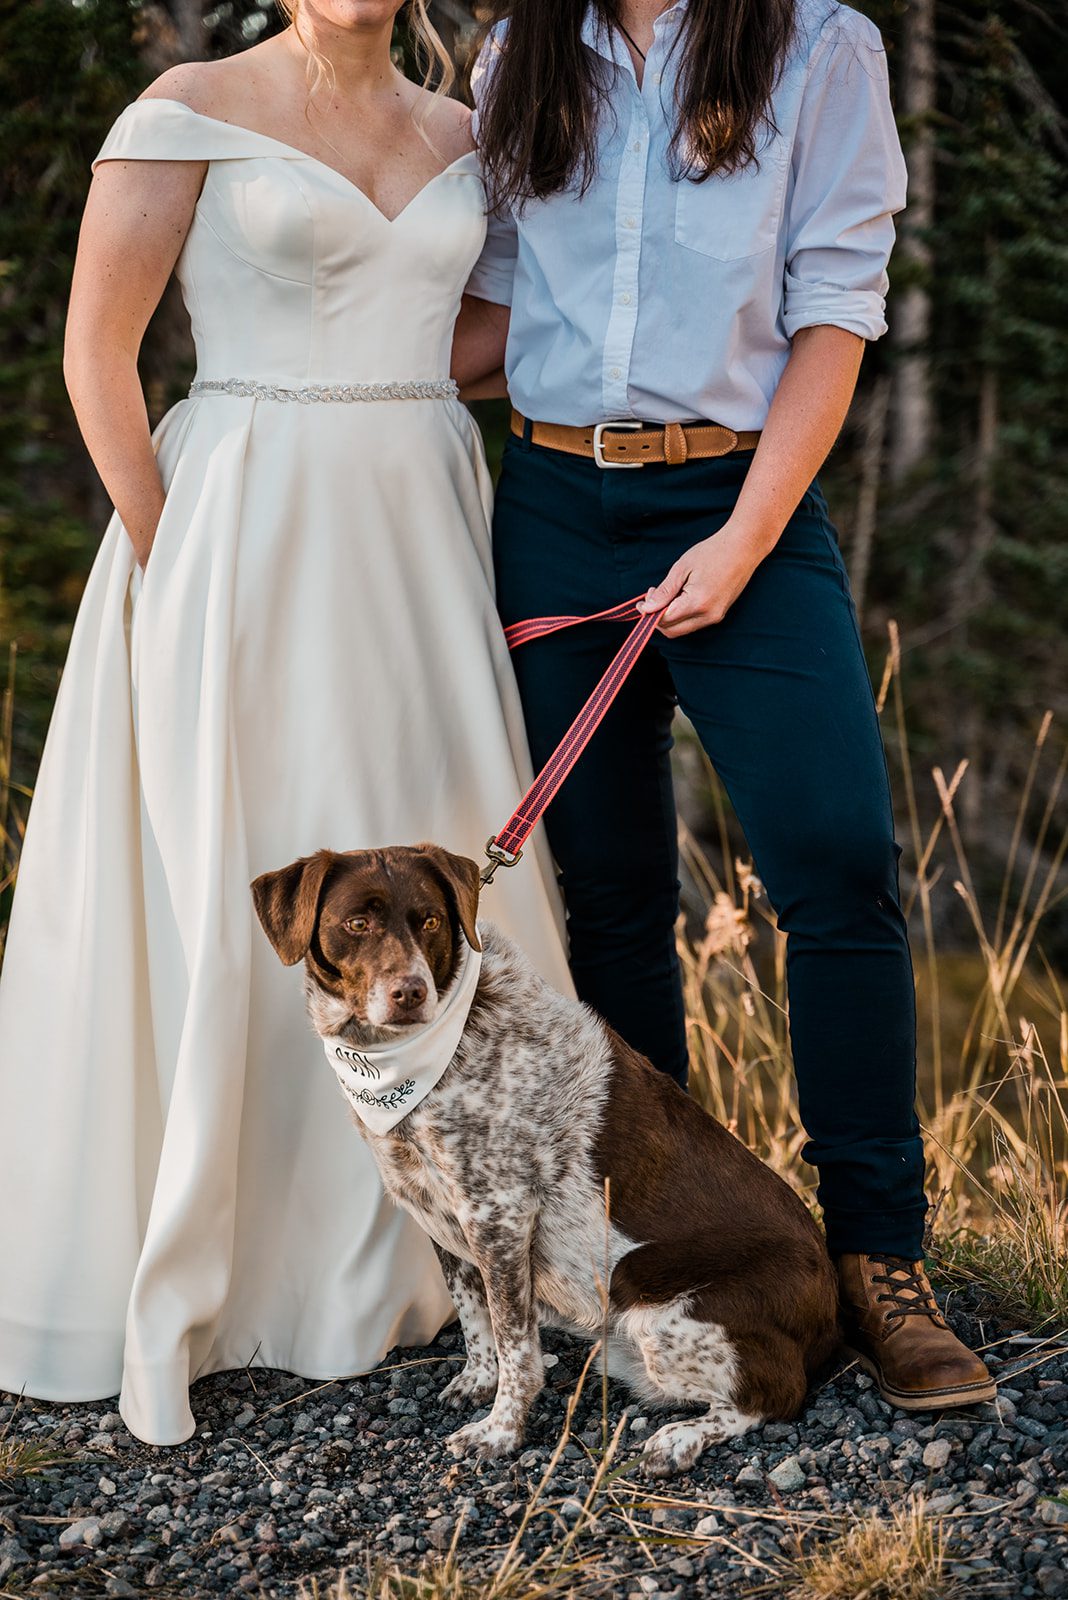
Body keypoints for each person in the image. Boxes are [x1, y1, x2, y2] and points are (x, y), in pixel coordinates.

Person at [0, 0, 571, 1446]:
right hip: (236, 546)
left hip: (419, 549)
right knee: (242, 874)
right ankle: (235, 1269)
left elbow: (483, 336)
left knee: (425, 866)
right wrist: (166, 559)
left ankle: (423, 1264)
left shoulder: (465, 134)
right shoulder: (186, 109)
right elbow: (97, 353)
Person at [458, 0, 994, 1410]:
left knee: (834, 859)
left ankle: (880, 1259)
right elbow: (498, 302)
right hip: (557, 507)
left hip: (741, 494)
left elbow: (835, 311)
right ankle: (671, 1247)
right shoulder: (521, 56)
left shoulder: (825, 50)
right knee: (613, 889)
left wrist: (747, 539)